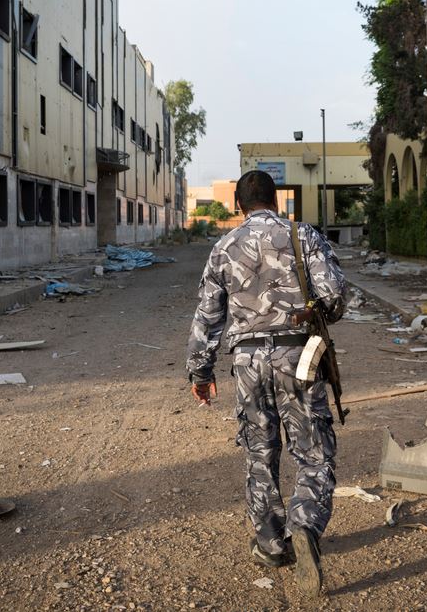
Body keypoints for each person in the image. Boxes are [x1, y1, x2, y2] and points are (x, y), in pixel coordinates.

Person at [185, 170, 346, 596]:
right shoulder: (304, 236)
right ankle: (306, 524)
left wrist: (201, 372)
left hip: (247, 361)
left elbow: (207, 318)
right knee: (313, 450)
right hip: (299, 358)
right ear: (277, 201)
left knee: (260, 451)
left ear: (239, 205)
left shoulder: (222, 247)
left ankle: (272, 544)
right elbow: (334, 298)